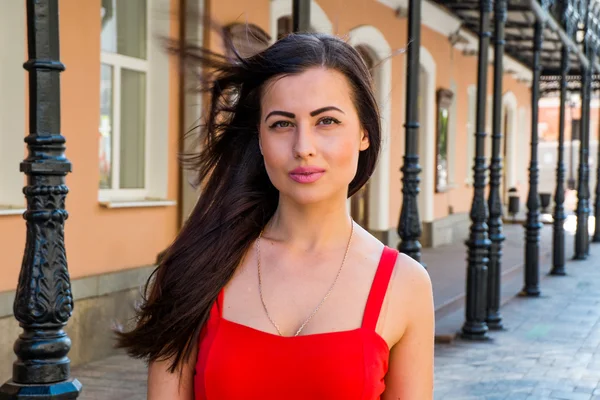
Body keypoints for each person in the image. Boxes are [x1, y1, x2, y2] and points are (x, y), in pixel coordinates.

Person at [116, 30, 434, 400]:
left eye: (326, 121)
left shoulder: (405, 284)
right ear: (260, 138)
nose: (303, 147)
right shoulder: (196, 268)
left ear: (364, 132)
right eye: (282, 123)